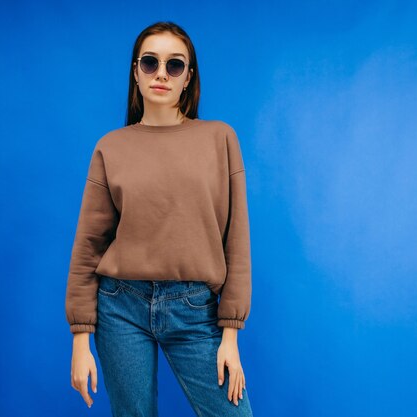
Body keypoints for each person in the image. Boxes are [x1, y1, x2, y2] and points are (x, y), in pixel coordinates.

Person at [65, 21, 254, 417]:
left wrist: (230, 335)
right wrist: (80, 339)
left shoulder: (220, 139)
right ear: (136, 73)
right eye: (150, 63)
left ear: (189, 77)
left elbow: (236, 241)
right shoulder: (111, 147)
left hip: (195, 308)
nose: (162, 75)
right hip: (120, 307)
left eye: (175, 65)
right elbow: (88, 245)